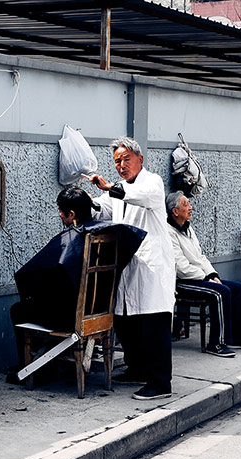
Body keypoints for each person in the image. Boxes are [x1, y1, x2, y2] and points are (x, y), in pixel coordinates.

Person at [88, 136, 176, 401]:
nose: (122, 165)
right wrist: (84, 200)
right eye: (117, 161)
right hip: (129, 266)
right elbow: (101, 207)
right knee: (126, 322)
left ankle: (160, 383)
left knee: (153, 325)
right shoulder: (118, 190)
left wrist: (111, 187)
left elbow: (138, 197)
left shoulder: (152, 183)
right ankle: (137, 369)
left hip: (152, 268)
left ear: (140, 159)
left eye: (126, 159)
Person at [11, 186, 145, 349]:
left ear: (72, 214)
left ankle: (37, 368)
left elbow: (35, 275)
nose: (60, 215)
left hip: (73, 317)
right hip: (101, 310)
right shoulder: (107, 234)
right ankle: (58, 359)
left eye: (61, 211)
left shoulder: (72, 238)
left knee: (18, 310)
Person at [165, 191, 241, 357]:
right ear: (175, 211)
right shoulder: (168, 232)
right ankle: (216, 343)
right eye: (186, 205)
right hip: (182, 282)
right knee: (221, 292)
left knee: (239, 289)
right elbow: (181, 267)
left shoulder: (188, 229)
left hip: (200, 277)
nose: (190, 207)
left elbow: (201, 256)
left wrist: (211, 275)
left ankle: (235, 337)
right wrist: (205, 277)